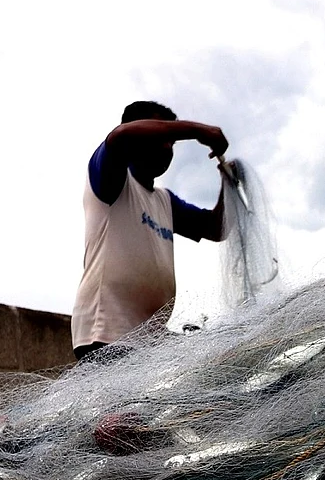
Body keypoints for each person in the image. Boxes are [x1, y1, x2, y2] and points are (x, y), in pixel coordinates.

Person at [72, 101, 230, 361]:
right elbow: (119, 137)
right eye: (162, 136)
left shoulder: (165, 201)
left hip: (150, 340)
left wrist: (228, 183)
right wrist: (199, 131)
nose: (168, 147)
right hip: (107, 333)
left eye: (173, 143)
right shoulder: (112, 180)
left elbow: (217, 228)